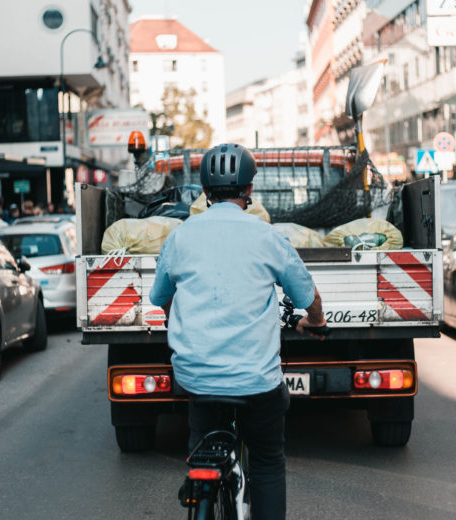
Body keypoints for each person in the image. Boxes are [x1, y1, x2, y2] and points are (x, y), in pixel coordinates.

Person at [149, 143, 326, 520]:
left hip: (195, 375)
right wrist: (316, 321)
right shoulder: (266, 236)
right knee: (266, 460)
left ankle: (201, 482)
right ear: (249, 189)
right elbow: (308, 295)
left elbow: (161, 297)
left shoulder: (181, 236)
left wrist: (176, 320)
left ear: (205, 192)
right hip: (256, 382)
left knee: (201, 440)